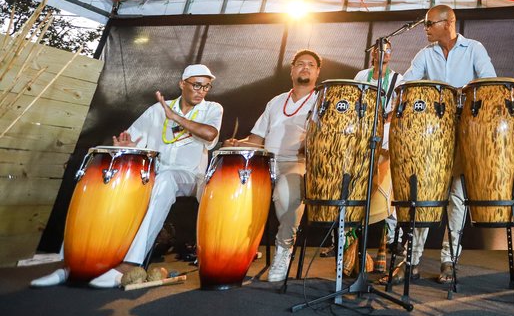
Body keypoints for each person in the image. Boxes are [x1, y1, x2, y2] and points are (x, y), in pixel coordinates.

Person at [33, 64, 222, 288]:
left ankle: (130, 264)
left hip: (191, 176)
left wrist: (175, 117)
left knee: (165, 180)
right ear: (182, 84)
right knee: (108, 183)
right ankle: (72, 264)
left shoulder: (212, 108)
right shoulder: (157, 109)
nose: (201, 91)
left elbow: (210, 134)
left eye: (206, 86)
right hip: (153, 173)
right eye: (197, 85)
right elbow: (133, 137)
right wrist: (129, 145)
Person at [399, 4, 495, 284]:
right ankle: (412, 260)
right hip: (432, 134)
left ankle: (449, 260)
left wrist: (464, 96)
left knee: (457, 198)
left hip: (464, 131)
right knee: (424, 196)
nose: (425, 29)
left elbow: (489, 83)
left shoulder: (474, 48)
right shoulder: (424, 54)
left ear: (448, 23)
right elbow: (406, 84)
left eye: (429, 24)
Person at [226, 50, 321, 283]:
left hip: (296, 163)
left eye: (311, 65)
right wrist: (237, 143)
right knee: (232, 189)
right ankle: (235, 250)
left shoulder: (322, 101)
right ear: (291, 70)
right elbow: (257, 139)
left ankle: (283, 250)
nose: (305, 68)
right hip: (265, 162)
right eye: (300, 64)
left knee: (286, 195)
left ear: (318, 72)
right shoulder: (276, 101)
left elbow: (324, 141)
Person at [354, 42, 403, 271]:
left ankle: (390, 240)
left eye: (387, 49)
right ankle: (347, 241)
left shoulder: (397, 78)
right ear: (372, 53)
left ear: (391, 55)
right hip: (362, 132)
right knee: (358, 183)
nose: (382, 52)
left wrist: (382, 124)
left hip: (384, 133)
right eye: (378, 48)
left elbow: (397, 107)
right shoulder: (362, 75)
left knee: (386, 183)